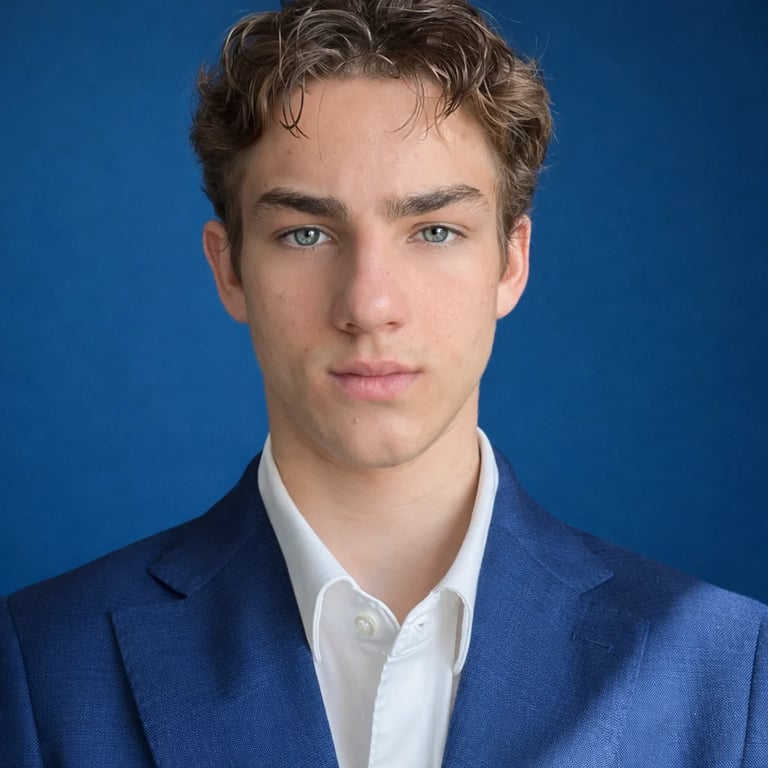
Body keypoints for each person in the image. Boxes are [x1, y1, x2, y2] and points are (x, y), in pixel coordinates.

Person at [1, 0, 765, 765]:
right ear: (228, 267)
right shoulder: (40, 666)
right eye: (306, 233)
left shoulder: (729, 671)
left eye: (434, 231)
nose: (369, 306)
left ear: (511, 261)